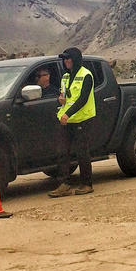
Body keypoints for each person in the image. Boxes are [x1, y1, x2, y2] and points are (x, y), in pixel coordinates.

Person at [49, 47, 96, 197]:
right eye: (64, 59)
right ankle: (64, 184)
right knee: (62, 152)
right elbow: (63, 95)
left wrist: (68, 114)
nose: (66, 61)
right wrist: (60, 98)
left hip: (82, 119)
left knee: (82, 152)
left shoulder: (86, 75)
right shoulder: (65, 77)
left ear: (75, 59)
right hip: (66, 121)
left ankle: (87, 184)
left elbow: (82, 99)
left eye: (68, 58)